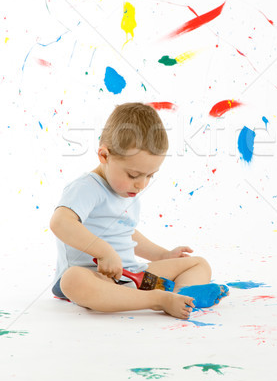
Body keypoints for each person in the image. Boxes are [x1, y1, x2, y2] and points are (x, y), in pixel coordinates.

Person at [50, 102, 228, 320]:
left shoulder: (126, 192)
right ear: (104, 156)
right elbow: (60, 222)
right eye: (134, 175)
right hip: (94, 276)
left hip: (132, 274)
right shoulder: (87, 188)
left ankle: (183, 297)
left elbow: (127, 233)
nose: (141, 184)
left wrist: (162, 255)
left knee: (198, 263)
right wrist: (103, 252)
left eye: (149, 176)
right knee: (73, 280)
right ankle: (157, 299)